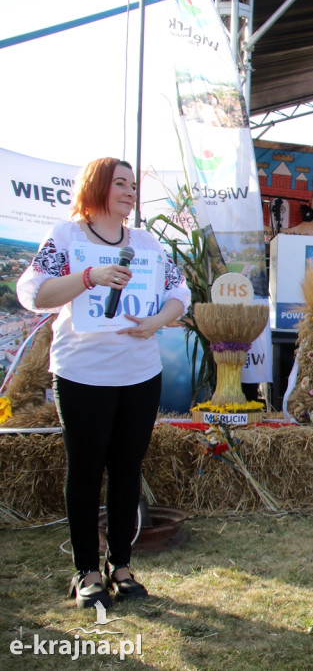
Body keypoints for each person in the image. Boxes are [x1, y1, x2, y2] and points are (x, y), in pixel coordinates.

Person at [16, 158, 191, 609]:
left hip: (139, 373)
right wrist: (90, 277)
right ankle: (87, 572)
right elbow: (33, 292)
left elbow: (180, 293)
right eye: (121, 184)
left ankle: (123, 566)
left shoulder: (147, 243)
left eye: (133, 185)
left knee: (127, 470)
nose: (131, 192)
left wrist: (154, 322)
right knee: (86, 470)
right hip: (82, 373)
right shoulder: (67, 236)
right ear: (97, 187)